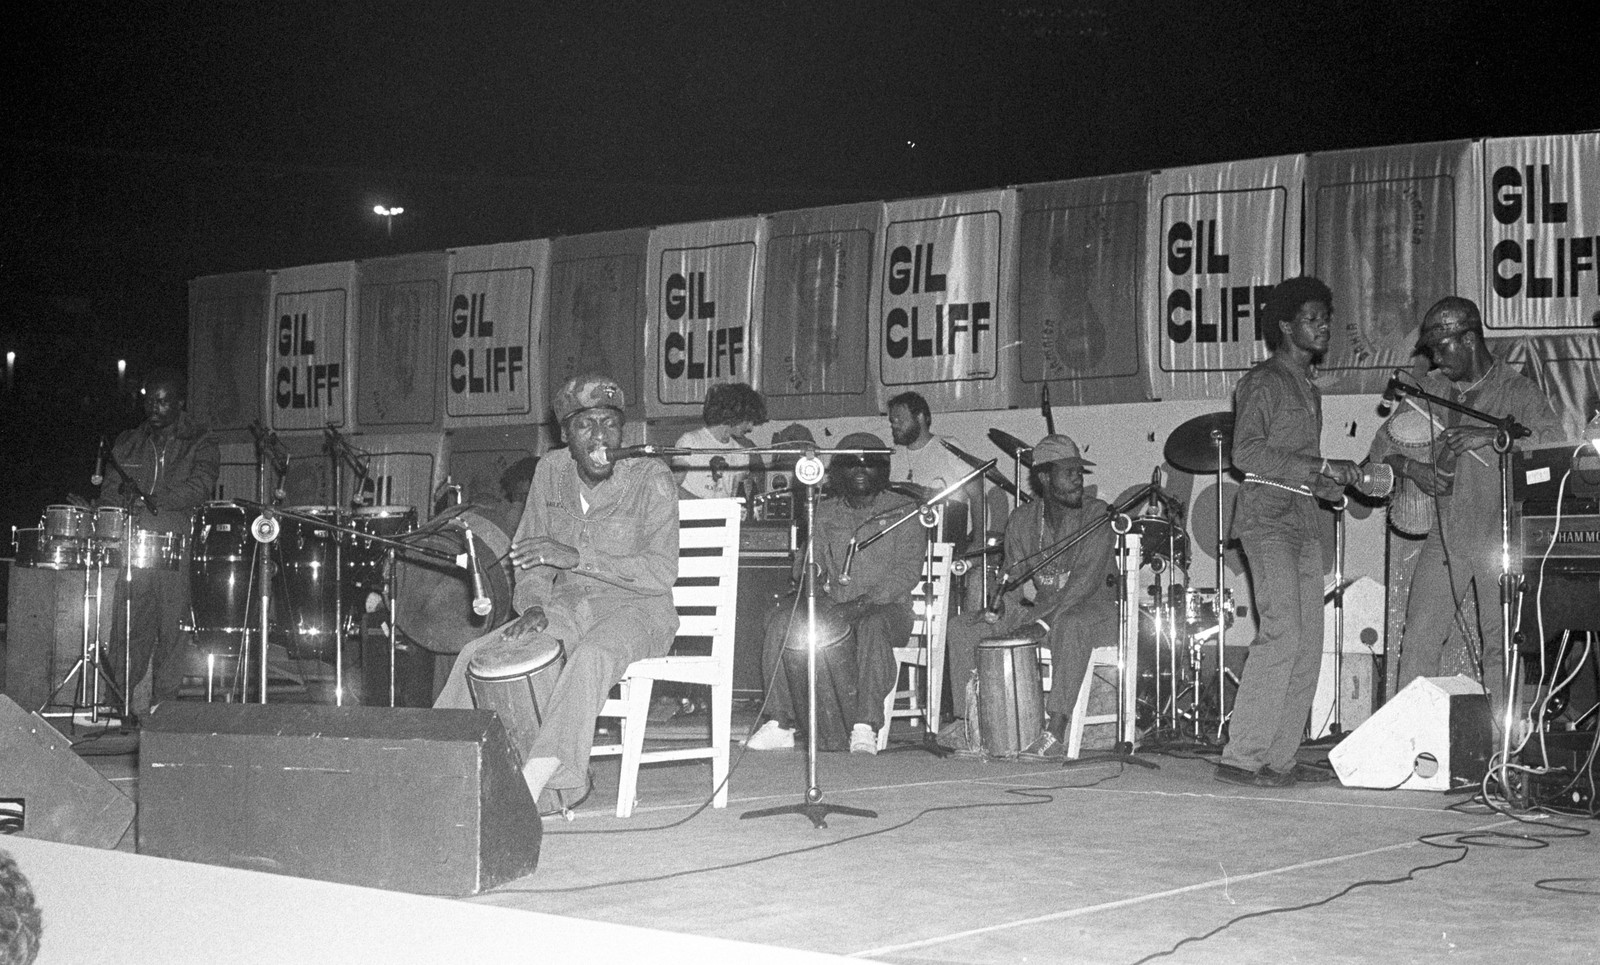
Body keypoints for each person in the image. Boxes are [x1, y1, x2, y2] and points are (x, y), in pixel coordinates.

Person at [434, 374, 679, 806]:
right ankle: (434, 759)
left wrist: (577, 558)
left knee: (592, 656)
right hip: (567, 608)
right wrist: (532, 605)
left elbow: (661, 572)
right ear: (566, 434)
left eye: (610, 423)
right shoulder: (550, 470)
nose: (601, 435)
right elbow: (529, 559)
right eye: (586, 425)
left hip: (639, 610)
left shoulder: (650, 476)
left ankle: (542, 778)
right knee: (478, 654)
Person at [1370, 296, 1560, 703]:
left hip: (1499, 537)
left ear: (1469, 339)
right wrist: (1412, 469)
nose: (1435, 359)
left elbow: (1552, 447)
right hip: (1446, 536)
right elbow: (1380, 447)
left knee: (1500, 644)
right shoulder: (1431, 390)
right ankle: (1408, 742)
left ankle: (1500, 751)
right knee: (1418, 638)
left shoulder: (1517, 392)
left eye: (1441, 348)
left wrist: (1494, 438)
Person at [1217, 277, 1361, 788]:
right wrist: (1319, 464)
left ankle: (1278, 759)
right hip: (1266, 520)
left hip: (1301, 519)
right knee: (1283, 632)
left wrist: (1333, 483)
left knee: (1309, 641)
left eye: (1326, 318)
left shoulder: (1308, 388)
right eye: (1312, 318)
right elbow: (1247, 454)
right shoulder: (1263, 382)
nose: (1323, 327)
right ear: (1284, 326)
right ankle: (1241, 756)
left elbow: (1297, 466)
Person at [745, 432, 926, 755]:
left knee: (871, 625)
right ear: (836, 471)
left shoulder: (904, 510)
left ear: (883, 470)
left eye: (869, 463)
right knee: (780, 620)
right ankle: (780, 722)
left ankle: (865, 725)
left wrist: (861, 604)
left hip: (888, 609)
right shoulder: (824, 511)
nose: (859, 469)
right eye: (850, 463)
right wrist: (809, 581)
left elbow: (907, 571)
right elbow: (808, 560)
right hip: (834, 605)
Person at [941, 434, 1119, 758]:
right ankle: (970, 723)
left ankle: (1056, 731)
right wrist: (998, 609)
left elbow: (1084, 584)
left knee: (1070, 624)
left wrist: (1042, 625)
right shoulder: (1022, 520)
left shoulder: (1098, 515)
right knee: (962, 627)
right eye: (1069, 472)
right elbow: (1014, 579)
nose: (1079, 479)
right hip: (1043, 609)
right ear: (1045, 477)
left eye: (1080, 471)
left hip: (1096, 610)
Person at [98, 368, 219, 715]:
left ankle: (163, 708)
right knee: (128, 627)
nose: (155, 406)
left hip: (174, 544)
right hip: (135, 545)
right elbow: (109, 488)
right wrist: (130, 503)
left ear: (179, 404)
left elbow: (200, 486)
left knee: (172, 629)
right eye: (150, 400)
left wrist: (155, 500)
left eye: (163, 400)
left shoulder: (200, 440)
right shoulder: (129, 441)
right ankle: (116, 705)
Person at [886, 391, 979, 546]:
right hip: (904, 546)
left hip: (946, 541)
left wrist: (978, 542)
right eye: (892, 421)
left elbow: (977, 495)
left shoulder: (948, 447)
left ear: (920, 417)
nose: (894, 425)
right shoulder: (893, 454)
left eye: (899, 420)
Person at [673, 382, 767, 499]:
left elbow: (737, 497)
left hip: (724, 516)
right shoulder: (690, 442)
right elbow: (672, 487)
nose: (750, 428)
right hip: (691, 515)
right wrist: (702, 506)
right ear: (735, 414)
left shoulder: (741, 453)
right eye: (748, 421)